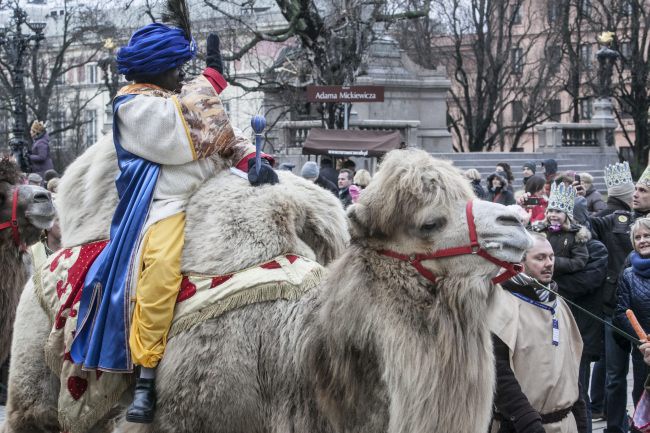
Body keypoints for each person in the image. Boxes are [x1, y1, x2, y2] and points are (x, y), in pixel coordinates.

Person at [69, 22, 277, 424]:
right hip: (167, 204)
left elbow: (223, 135)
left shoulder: (176, 96)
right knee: (161, 269)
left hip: (216, 192)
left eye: (185, 67)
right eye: (176, 67)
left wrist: (251, 161)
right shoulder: (132, 105)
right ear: (155, 67)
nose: (182, 75)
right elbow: (183, 136)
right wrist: (211, 81)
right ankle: (146, 376)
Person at [489, 231, 587, 433]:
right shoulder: (502, 304)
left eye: (551, 257)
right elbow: (498, 372)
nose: (549, 263)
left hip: (566, 424)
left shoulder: (559, 304)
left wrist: (582, 421)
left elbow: (571, 368)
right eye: (540, 258)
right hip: (522, 427)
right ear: (520, 263)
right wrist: (527, 422)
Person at [589, 163, 650, 433]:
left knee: (641, 383)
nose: (635, 194)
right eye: (638, 237)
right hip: (620, 317)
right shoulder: (616, 218)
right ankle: (616, 426)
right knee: (615, 378)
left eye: (642, 189)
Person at [613, 218, 650, 411]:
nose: (642, 240)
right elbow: (621, 312)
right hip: (643, 351)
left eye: (647, 235)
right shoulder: (628, 274)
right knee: (642, 399)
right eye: (638, 237)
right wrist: (642, 339)